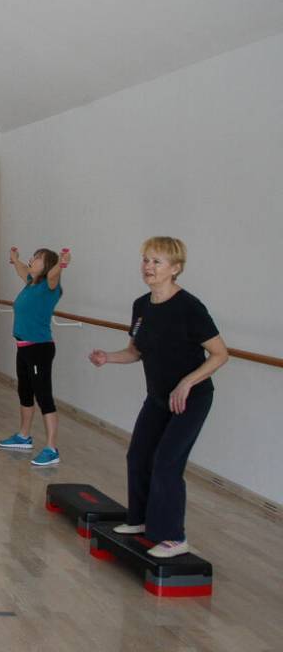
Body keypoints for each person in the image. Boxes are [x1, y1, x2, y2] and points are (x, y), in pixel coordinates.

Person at [90, 237, 227, 558]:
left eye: (157, 262)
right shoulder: (141, 305)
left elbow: (220, 354)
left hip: (190, 400)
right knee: (138, 456)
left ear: (175, 269)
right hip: (157, 398)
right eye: (146, 260)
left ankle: (174, 537)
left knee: (166, 463)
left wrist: (187, 383)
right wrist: (108, 357)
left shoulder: (189, 307)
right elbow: (135, 351)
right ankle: (140, 520)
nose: (148, 267)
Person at [0, 247, 71, 466]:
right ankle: (23, 436)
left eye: (38, 258)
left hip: (39, 349)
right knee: (25, 392)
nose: (33, 259)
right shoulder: (31, 282)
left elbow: (54, 273)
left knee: (44, 397)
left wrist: (62, 263)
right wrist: (15, 259)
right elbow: (22, 269)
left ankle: (51, 448)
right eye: (34, 256)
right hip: (23, 347)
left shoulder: (50, 285)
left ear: (47, 265)